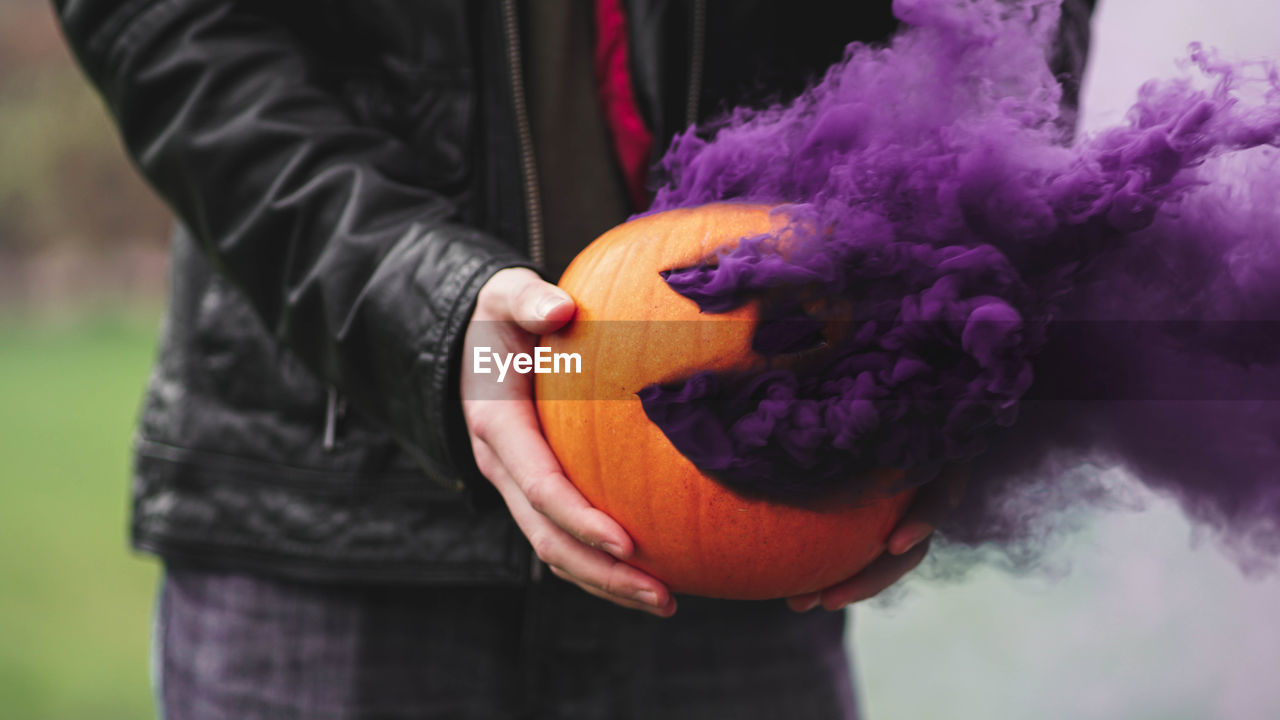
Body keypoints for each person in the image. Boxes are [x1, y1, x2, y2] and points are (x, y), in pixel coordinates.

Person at [55, 1, 1095, 717]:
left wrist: (949, 303)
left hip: (753, 511)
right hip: (335, 515)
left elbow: (1008, 22)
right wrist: (412, 304)